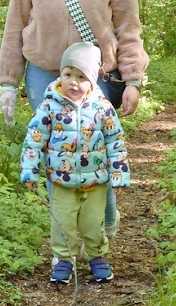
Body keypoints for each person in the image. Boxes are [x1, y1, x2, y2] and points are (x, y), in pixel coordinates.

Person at [0, 0, 148, 237]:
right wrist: (8, 82)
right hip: (44, 71)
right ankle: (64, 233)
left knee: (95, 148)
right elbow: (16, 22)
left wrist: (133, 79)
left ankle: (102, 221)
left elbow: (127, 24)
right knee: (56, 149)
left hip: (96, 76)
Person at [21, 41, 130, 283]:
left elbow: (116, 142)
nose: (73, 82)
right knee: (62, 224)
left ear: (92, 80)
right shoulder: (49, 106)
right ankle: (63, 259)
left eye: (81, 77)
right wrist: (29, 170)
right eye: (68, 74)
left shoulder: (102, 108)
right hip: (62, 181)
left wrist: (119, 174)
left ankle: (96, 256)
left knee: (93, 223)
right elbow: (34, 138)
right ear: (60, 75)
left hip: (95, 180)